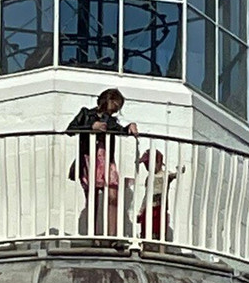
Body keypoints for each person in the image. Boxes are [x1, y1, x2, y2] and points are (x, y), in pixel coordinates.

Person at [65, 88, 138, 235]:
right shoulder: (86, 113)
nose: (117, 109)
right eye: (116, 103)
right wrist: (91, 127)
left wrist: (130, 126)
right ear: (108, 99)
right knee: (92, 199)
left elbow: (120, 130)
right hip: (89, 159)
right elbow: (70, 129)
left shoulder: (110, 120)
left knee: (113, 196)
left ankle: (112, 237)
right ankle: (93, 236)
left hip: (106, 160)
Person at [135, 149, 180, 242]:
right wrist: (140, 211)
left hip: (160, 207)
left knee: (159, 229)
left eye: (149, 164)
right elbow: (146, 195)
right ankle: (145, 246)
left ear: (158, 162)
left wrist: (179, 171)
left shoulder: (165, 175)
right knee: (146, 228)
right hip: (148, 207)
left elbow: (173, 176)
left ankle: (160, 248)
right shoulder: (149, 178)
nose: (147, 167)